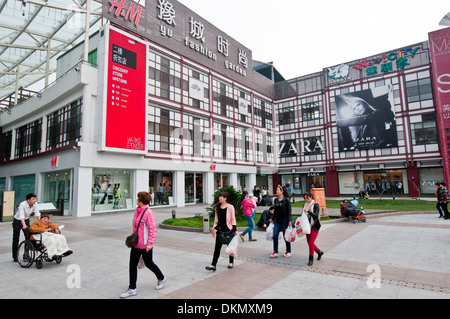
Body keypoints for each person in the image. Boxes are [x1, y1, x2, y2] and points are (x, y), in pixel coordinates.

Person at [121, 192, 166, 298]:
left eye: (138, 198)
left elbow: (152, 229)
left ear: (141, 200)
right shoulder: (137, 211)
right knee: (132, 265)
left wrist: (150, 243)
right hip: (136, 244)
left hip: (145, 245)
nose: (136, 200)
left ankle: (162, 278)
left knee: (149, 263)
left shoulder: (148, 212)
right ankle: (132, 288)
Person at [206, 192, 237, 271]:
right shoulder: (217, 207)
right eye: (219, 197)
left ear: (225, 198)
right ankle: (213, 265)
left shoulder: (230, 207)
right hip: (220, 231)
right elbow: (216, 220)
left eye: (221, 197)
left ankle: (231, 262)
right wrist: (214, 228)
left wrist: (234, 229)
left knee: (230, 248)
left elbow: (233, 219)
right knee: (217, 249)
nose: (220, 198)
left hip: (229, 230)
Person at [12, 193, 40, 262]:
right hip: (18, 221)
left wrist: (41, 223)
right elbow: (21, 216)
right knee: (16, 238)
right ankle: (15, 256)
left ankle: (26, 255)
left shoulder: (35, 204)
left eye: (35, 199)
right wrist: (24, 225)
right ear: (28, 200)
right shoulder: (22, 204)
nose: (34, 201)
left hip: (26, 220)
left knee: (28, 237)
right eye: (33, 199)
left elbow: (37, 213)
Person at [269, 185, 292, 258]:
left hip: (284, 220)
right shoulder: (276, 200)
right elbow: (275, 210)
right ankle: (275, 251)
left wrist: (289, 220)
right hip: (277, 220)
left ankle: (288, 251)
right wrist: (272, 218)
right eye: (276, 190)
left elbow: (289, 210)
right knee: (275, 235)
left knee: (286, 236)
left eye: (278, 190)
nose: (276, 191)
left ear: (282, 191)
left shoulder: (286, 200)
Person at [303, 192, 324, 266]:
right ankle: (319, 252)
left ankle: (311, 258)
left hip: (314, 226)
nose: (306, 200)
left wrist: (309, 211)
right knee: (309, 243)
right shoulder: (304, 205)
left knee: (311, 242)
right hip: (307, 226)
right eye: (305, 198)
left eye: (307, 198)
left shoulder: (315, 205)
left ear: (311, 197)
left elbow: (315, 216)